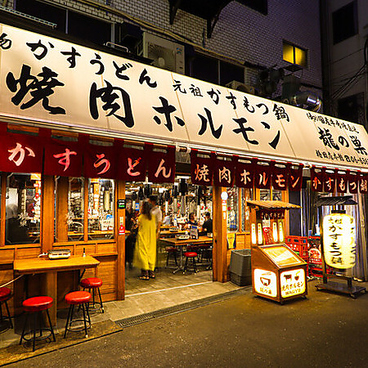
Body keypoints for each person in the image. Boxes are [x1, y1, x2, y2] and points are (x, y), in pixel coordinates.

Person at [133, 201, 157, 280]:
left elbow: (138, 227)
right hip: (152, 239)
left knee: (143, 255)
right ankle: (151, 273)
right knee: (151, 254)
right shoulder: (153, 217)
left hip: (143, 238)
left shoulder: (141, 217)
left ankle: (145, 274)